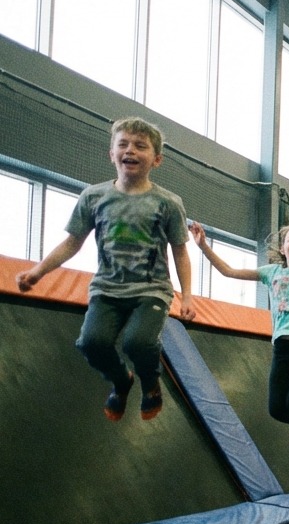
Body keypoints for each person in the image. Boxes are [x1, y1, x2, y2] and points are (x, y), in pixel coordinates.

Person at [16, 117, 194, 422]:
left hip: (150, 289)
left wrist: (187, 296)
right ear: (111, 154)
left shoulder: (167, 203)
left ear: (157, 159)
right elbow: (72, 243)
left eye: (141, 146)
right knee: (91, 343)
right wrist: (38, 272)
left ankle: (151, 384)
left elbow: (180, 252)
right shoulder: (94, 197)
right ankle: (121, 380)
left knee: (138, 342)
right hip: (107, 288)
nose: (131, 151)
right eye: (123, 144)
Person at [190, 189, 289, 470]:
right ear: (282, 248)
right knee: (276, 408)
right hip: (283, 348)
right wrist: (203, 247)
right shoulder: (272, 273)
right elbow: (229, 272)